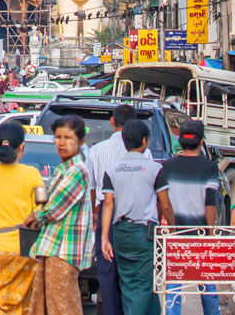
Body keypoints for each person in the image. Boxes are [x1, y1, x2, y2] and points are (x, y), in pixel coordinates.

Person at [100, 119, 173, 315]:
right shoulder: (155, 169)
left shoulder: (112, 170)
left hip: (120, 232)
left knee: (129, 283)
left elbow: (108, 204)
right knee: (142, 284)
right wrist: (174, 228)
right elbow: (165, 204)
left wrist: (105, 238)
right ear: (145, 140)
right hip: (144, 233)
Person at [23, 115, 93, 315]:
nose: (61, 143)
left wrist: (36, 215)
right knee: (43, 304)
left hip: (64, 251)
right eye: (58, 137)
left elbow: (54, 209)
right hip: (52, 248)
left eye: (68, 138)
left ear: (80, 142)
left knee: (62, 306)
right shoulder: (64, 170)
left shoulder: (77, 172)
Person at [0, 121, 43, 315]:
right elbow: (41, 207)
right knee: (20, 302)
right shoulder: (32, 175)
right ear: (22, 147)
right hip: (23, 249)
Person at [160, 120, 221, 315]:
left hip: (176, 233)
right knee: (207, 284)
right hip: (200, 234)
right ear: (201, 142)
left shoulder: (167, 166)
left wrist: (168, 227)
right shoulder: (210, 168)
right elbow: (209, 203)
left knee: (174, 285)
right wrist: (211, 233)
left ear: (180, 141)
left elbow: (164, 203)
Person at [86, 103, 135, 315]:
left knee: (107, 272)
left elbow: (91, 188)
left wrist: (95, 216)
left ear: (112, 122)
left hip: (105, 217)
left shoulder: (96, 150)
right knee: (129, 272)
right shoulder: (144, 152)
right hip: (132, 218)